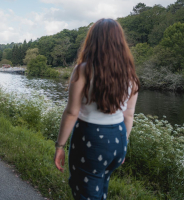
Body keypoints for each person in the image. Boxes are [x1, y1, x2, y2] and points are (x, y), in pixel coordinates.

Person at [53, 18, 140, 200]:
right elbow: (129, 114)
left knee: (85, 192)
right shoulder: (130, 74)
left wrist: (60, 146)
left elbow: (71, 112)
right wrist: (124, 144)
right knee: (101, 187)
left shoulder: (83, 70)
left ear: (92, 41)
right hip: (118, 138)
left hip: (90, 139)